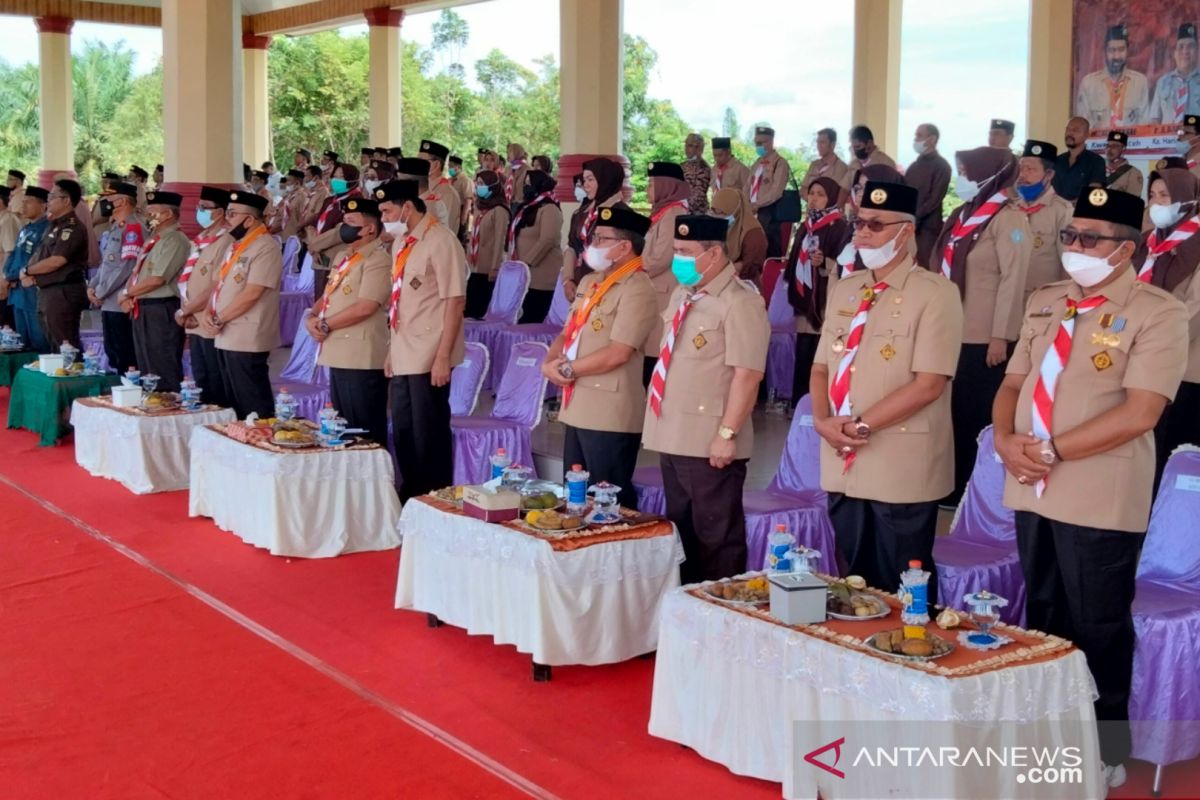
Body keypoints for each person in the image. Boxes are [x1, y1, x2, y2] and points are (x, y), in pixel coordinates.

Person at [994, 187, 1185, 789]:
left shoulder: (1159, 312)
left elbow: (1141, 413)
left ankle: (1104, 752)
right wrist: (1004, 441)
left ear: (1126, 250)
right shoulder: (1048, 301)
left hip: (1098, 493)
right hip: (1031, 483)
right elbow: (1012, 385)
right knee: (1044, 614)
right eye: (1071, 236)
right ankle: (1051, 735)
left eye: (1090, 239)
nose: (1074, 248)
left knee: (1098, 624)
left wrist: (1049, 451)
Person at [812, 180, 963, 600]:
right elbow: (822, 365)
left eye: (875, 225)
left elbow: (929, 383)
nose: (861, 233)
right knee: (854, 584)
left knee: (904, 587)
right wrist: (824, 422)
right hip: (843, 457)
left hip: (898, 460)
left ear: (906, 231)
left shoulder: (936, 294)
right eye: (858, 222)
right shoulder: (846, 287)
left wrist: (859, 426)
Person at [642, 214, 770, 583]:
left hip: (710, 442)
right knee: (683, 536)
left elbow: (748, 375)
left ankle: (721, 617)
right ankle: (689, 612)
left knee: (718, 540)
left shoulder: (739, 302)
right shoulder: (687, 294)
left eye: (685, 251)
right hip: (674, 434)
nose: (677, 258)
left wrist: (726, 434)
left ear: (714, 255)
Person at [542, 207, 658, 510]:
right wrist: (549, 362)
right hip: (578, 402)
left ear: (624, 247)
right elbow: (568, 332)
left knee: (607, 499)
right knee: (576, 494)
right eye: (594, 237)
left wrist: (567, 368)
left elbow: (619, 352)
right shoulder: (590, 282)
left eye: (602, 238)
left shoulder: (637, 288)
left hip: (610, 410)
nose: (593, 244)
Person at [933, 147, 1031, 502]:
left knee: (976, 414)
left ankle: (975, 492)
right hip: (952, 329)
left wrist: (1000, 335)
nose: (962, 179)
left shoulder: (1009, 218)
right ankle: (952, 485)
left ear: (990, 174)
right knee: (952, 412)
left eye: (967, 172)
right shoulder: (965, 213)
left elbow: (1013, 279)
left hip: (983, 336)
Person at [377, 179, 467, 502]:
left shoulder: (441, 241)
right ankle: (411, 497)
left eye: (387, 210)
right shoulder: (401, 243)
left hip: (430, 354)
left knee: (428, 433)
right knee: (403, 431)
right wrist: (391, 352)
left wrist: (443, 356)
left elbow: (454, 301)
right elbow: (399, 302)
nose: (383, 217)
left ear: (407, 207)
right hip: (404, 351)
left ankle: (434, 500)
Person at [304, 196, 391, 446]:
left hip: (361, 354)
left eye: (351, 222)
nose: (344, 227)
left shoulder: (377, 259)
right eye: (344, 222)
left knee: (363, 427)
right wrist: (312, 316)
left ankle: (372, 480)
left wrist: (326, 324)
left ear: (370, 229)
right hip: (338, 349)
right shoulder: (344, 255)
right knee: (342, 424)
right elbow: (328, 294)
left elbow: (366, 306)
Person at [1137, 167, 1200, 485]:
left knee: (1172, 448)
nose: (1157, 203)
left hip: (1183, 364)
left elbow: (1193, 307)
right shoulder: (1151, 242)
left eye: (1166, 196)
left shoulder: (1196, 243)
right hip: (1143, 357)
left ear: (1187, 200)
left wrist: (1152, 343)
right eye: (1153, 196)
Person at [198, 191, 282, 419]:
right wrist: (208, 311)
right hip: (225, 332)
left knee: (252, 400)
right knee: (232, 399)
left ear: (249, 219)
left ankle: (261, 442)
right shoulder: (236, 246)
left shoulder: (265, 246)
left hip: (247, 334)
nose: (227, 219)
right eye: (227, 213)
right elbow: (218, 283)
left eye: (233, 214)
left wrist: (219, 317)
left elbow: (253, 292)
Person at [784, 177, 851, 403]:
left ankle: (817, 402)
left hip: (823, 298)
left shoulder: (839, 226)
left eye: (820, 194)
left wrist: (824, 262)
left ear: (831, 197)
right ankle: (799, 402)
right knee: (803, 348)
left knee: (818, 350)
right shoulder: (806, 225)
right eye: (812, 193)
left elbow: (845, 263)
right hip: (805, 296)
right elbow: (794, 256)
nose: (814, 199)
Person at [119, 191, 189, 392]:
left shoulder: (175, 240)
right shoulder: (154, 239)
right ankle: (154, 402)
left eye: (152, 213)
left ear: (167, 214)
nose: (147, 217)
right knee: (146, 362)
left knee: (162, 363)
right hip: (143, 307)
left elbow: (158, 279)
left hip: (161, 309)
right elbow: (138, 273)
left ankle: (169, 408)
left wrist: (127, 294)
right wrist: (127, 293)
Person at [175, 186, 232, 409]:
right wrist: (185, 309)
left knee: (215, 378)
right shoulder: (200, 239)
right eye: (199, 207)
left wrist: (187, 310)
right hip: (192, 319)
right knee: (200, 375)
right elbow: (187, 278)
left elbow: (214, 285)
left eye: (205, 208)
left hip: (208, 318)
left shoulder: (225, 240)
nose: (200, 212)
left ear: (220, 212)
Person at [24, 179, 89, 350]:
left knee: (66, 344)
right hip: (48, 291)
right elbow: (40, 254)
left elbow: (57, 260)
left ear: (66, 200)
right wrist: (30, 273)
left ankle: (71, 376)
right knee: (53, 342)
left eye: (52, 196)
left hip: (63, 291)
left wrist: (27, 270)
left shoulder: (72, 227)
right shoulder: (54, 225)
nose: (48, 201)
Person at [89, 182, 141, 375]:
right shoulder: (114, 229)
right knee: (113, 353)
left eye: (109, 199)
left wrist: (101, 291)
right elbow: (106, 264)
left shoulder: (133, 228)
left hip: (120, 301)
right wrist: (92, 286)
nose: (105, 203)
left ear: (123, 201)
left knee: (125, 355)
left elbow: (126, 267)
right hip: (106, 301)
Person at [1012, 141, 1073, 304]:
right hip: (1012, 295)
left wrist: (1063, 301)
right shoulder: (1012, 208)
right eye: (1021, 168)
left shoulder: (1062, 211)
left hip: (1044, 300)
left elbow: (1068, 263)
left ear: (1049, 175)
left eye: (1030, 169)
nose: (1022, 175)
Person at [562, 157, 629, 302]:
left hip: (608, 287)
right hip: (580, 283)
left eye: (590, 180)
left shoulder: (623, 214)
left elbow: (627, 256)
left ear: (605, 180)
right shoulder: (582, 212)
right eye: (584, 180)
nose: (585, 185)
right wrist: (568, 279)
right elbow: (572, 246)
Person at [509, 170, 563, 323]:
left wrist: (526, 262)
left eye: (529, 183)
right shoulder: (528, 208)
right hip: (525, 277)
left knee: (533, 320)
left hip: (541, 277)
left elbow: (548, 239)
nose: (526, 187)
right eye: (525, 183)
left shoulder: (550, 209)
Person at [1076, 24, 1151, 128]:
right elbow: (1083, 127)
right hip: (1098, 144)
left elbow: (1144, 125)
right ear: (1105, 52)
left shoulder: (1140, 82)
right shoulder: (1088, 84)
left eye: (1121, 50)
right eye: (1112, 50)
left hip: (1130, 143)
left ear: (1127, 50)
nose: (1116, 56)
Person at [3, 187, 50, 352]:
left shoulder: (47, 229)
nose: (23, 206)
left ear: (43, 205)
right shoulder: (25, 229)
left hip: (32, 293)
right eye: (23, 202)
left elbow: (38, 260)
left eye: (28, 202)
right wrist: (7, 276)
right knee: (21, 344)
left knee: (39, 342)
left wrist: (13, 276)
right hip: (18, 294)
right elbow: (13, 254)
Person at [305, 163, 361, 297]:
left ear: (352, 180)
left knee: (332, 300)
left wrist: (315, 245)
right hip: (318, 258)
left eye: (341, 177)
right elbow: (311, 224)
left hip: (336, 257)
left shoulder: (356, 201)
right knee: (319, 298)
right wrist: (314, 246)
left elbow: (341, 231)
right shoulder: (329, 201)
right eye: (334, 176)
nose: (336, 180)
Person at [643, 162, 692, 310]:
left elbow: (662, 257)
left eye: (651, 184)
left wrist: (635, 273)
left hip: (663, 289)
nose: (646, 190)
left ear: (666, 185)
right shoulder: (663, 211)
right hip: (654, 284)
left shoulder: (674, 213)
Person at [464, 170, 510, 320]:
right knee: (469, 308)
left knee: (480, 309)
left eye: (482, 184)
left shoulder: (500, 210)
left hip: (487, 268)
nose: (478, 187)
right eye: (477, 184)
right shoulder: (479, 207)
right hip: (474, 266)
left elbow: (499, 240)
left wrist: (495, 267)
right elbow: (473, 236)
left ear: (492, 185)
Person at [906, 123, 952, 268]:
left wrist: (915, 218)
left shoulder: (942, 166)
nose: (915, 139)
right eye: (915, 135)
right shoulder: (913, 167)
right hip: (908, 226)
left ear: (932, 139)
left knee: (925, 269)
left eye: (919, 136)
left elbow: (935, 199)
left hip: (928, 230)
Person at [748, 125, 793, 258]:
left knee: (769, 253)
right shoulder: (757, 163)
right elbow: (747, 186)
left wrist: (756, 205)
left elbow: (776, 192)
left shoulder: (780, 163)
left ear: (771, 142)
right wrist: (746, 205)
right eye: (757, 143)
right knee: (754, 252)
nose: (759, 146)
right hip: (752, 213)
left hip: (770, 215)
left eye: (762, 143)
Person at [710, 187, 767, 288]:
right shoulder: (720, 226)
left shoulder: (752, 233)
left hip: (744, 286)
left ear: (736, 210)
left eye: (723, 213)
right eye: (715, 212)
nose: (718, 217)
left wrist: (727, 270)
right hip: (719, 281)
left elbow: (752, 264)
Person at [1151, 23, 1200, 124]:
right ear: (1174, 53)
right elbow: (1155, 120)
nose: (1185, 51)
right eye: (1181, 47)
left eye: (1190, 46)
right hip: (1166, 140)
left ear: (1197, 51)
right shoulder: (1162, 82)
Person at [1053, 116, 1107, 202]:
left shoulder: (1096, 161)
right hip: (1056, 213)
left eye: (1076, 130)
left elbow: (1094, 195)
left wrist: (1068, 206)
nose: (1070, 133)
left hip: (1081, 212)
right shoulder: (1057, 160)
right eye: (1068, 129)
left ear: (1087, 135)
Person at [419, 139, 462, 236]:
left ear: (436, 165)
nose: (417, 164)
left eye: (422, 161)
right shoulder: (423, 187)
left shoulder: (448, 194)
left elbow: (446, 230)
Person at [800, 128, 853, 195]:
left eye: (822, 142)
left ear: (832, 144)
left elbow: (840, 194)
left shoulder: (842, 168)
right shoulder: (814, 165)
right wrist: (814, 199)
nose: (818, 146)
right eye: (818, 143)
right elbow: (802, 190)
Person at [0, 187, 21, 328]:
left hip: (3, 278)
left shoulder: (7, 220)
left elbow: (10, 251)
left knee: (5, 323)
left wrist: (3, 278)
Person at [1104, 130, 1144, 196]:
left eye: (1115, 146)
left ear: (1123, 149)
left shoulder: (1133, 173)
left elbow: (1133, 200)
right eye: (1107, 145)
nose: (1109, 149)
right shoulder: (1098, 169)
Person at [682, 133, 711, 214]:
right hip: (683, 209)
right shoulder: (683, 165)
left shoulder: (703, 167)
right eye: (686, 145)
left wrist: (684, 210)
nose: (686, 149)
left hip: (697, 214)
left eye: (690, 145)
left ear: (699, 148)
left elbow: (699, 195)